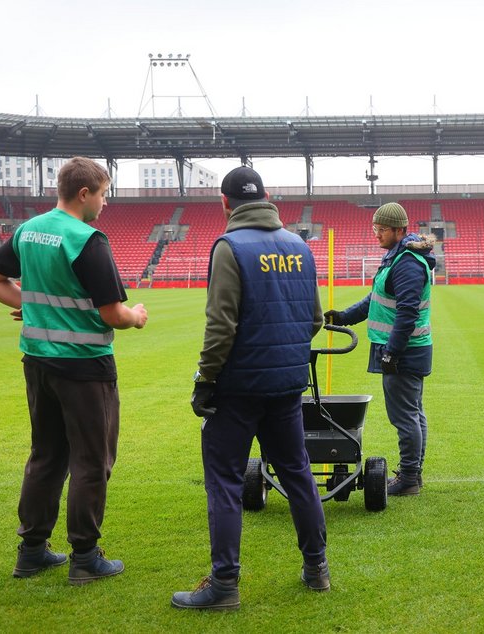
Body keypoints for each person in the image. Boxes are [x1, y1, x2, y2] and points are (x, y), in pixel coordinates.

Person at [0, 156, 148, 585]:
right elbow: (112, 314)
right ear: (84, 193)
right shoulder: (88, 240)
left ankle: (31, 551)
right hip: (85, 369)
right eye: (103, 194)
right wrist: (137, 316)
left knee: (47, 456)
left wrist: (30, 306)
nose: (105, 204)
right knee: (92, 461)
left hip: (37, 363)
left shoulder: (28, 231)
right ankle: (85, 557)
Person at [171, 166, 328, 611]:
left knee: (223, 480)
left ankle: (224, 584)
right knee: (297, 474)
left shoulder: (229, 246)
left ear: (224, 202)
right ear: (268, 196)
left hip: (238, 388)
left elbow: (220, 325)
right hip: (286, 385)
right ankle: (317, 569)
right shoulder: (299, 245)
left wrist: (205, 380)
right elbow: (313, 320)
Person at [324, 202, 435, 496]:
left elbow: (407, 313)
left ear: (400, 230)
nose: (377, 234)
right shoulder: (395, 258)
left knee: (404, 416)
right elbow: (375, 299)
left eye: (382, 229)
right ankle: (414, 474)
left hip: (405, 352)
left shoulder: (407, 263)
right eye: (375, 228)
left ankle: (410, 477)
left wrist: (392, 352)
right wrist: (343, 317)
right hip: (406, 349)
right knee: (413, 412)